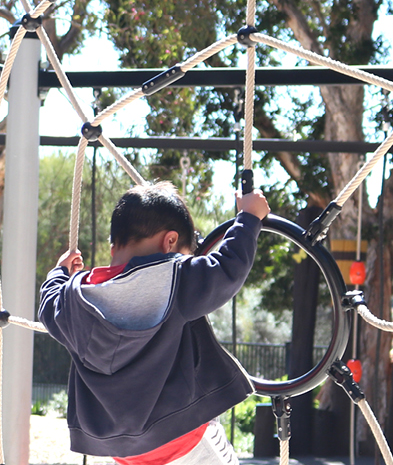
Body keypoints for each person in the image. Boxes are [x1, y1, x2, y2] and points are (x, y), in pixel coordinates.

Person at [38, 182, 267, 464]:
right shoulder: (175, 277)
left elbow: (48, 306)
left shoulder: (75, 297)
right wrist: (249, 219)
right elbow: (228, 267)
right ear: (170, 242)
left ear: (114, 244)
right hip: (184, 437)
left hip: (123, 450)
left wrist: (59, 272)